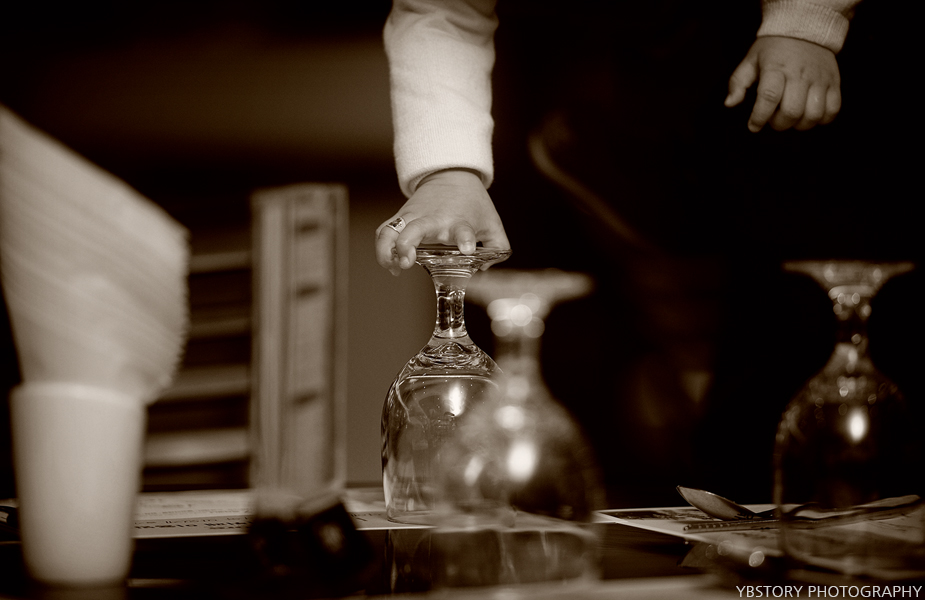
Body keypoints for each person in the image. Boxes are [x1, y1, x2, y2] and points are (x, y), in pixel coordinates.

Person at [374, 0, 861, 275]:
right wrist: (447, 170)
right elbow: (440, 12)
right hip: (568, 96)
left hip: (790, 90)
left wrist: (805, 22)